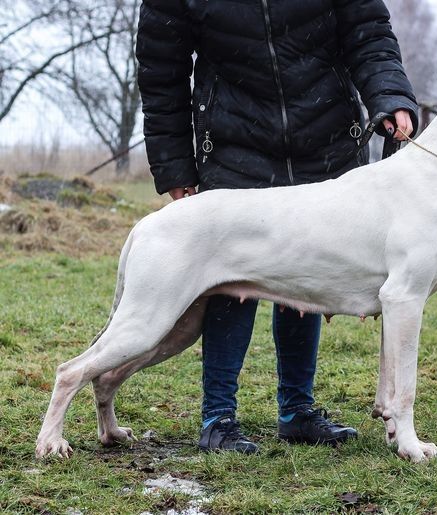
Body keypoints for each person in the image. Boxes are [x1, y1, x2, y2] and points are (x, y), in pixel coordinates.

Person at [136, 0, 419, 454]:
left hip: (324, 136)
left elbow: (368, 32)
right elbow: (161, 70)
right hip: (233, 141)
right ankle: (218, 418)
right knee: (229, 279)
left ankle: (297, 412)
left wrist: (390, 97)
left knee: (306, 272)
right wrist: (175, 167)